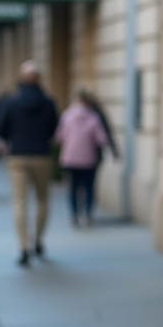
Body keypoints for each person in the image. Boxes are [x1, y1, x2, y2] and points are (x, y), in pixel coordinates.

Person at [0, 61, 58, 266]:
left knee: (19, 202)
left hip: (18, 155)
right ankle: (38, 240)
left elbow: (1, 128)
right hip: (42, 154)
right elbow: (53, 128)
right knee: (43, 199)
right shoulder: (48, 102)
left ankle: (23, 246)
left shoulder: (12, 102)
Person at [54, 89, 110, 226]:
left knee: (73, 187)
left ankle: (74, 214)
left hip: (70, 158)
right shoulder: (93, 117)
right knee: (89, 187)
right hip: (89, 159)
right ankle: (88, 213)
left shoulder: (67, 116)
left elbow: (58, 137)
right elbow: (102, 139)